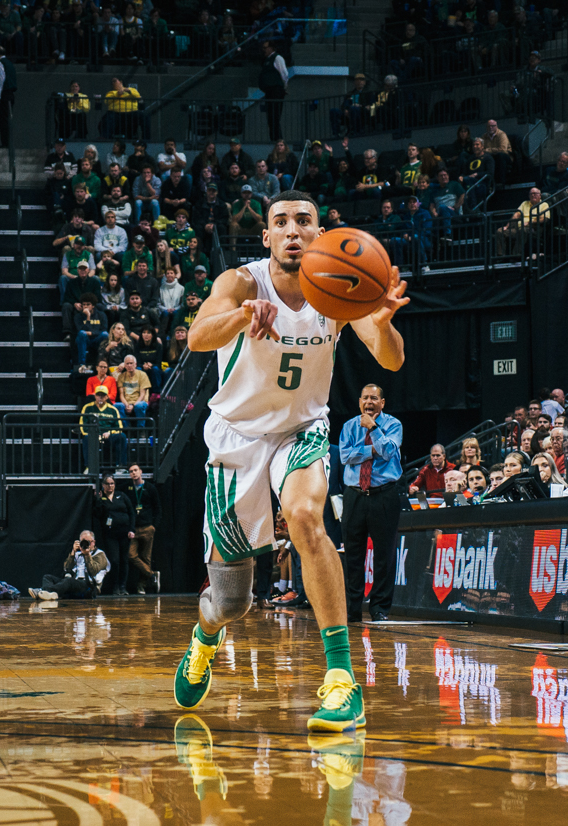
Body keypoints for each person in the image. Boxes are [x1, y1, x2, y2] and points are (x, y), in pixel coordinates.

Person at [172, 189, 408, 733]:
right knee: (232, 603)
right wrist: (240, 317)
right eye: (282, 222)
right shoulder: (241, 281)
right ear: (268, 236)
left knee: (305, 517)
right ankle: (206, 638)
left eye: (305, 221)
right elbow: (198, 336)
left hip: (302, 428)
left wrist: (385, 317)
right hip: (236, 437)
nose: (293, 230)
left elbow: (390, 358)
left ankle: (342, 682)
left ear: (319, 234)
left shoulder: (339, 287)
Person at [339, 384, 403, 623]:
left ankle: (379, 608)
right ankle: (352, 609)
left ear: (382, 403)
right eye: (365, 398)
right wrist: (372, 448)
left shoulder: (394, 425)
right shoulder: (348, 426)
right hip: (355, 495)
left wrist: (374, 429)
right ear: (359, 402)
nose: (369, 402)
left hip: (384, 495)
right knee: (353, 554)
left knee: (384, 555)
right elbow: (345, 457)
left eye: (374, 398)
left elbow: (387, 451)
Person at [29, 531, 108, 600]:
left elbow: (93, 571)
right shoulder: (77, 554)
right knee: (47, 577)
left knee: (69, 581)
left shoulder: (100, 555)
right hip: (74, 583)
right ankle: (50, 594)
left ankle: (42, 592)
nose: (85, 544)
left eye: (88, 542)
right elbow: (66, 568)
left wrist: (87, 555)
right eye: (82, 542)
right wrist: (73, 552)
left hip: (88, 587)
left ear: (93, 542)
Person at [92, 473, 136, 594]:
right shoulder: (101, 498)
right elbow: (98, 514)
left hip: (124, 533)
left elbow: (132, 513)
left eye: (112, 483)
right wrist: (99, 500)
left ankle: (123, 586)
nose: (110, 486)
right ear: (103, 485)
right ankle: (115, 586)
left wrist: (132, 529)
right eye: (107, 484)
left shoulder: (121, 496)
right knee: (115, 560)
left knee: (124, 560)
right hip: (110, 534)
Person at [125, 462, 160, 594]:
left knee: (146, 557)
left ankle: (142, 585)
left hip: (147, 527)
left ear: (141, 472)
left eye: (135, 470)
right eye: (130, 471)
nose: (133, 473)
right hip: (133, 529)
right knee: (131, 555)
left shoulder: (150, 488)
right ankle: (152, 575)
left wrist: (154, 526)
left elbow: (158, 508)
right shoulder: (128, 488)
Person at [258, 40, 289, 141]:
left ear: (271, 48)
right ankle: (273, 139)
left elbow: (284, 73)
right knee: (270, 117)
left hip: (276, 90)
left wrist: (284, 87)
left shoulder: (277, 58)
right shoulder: (266, 60)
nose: (264, 50)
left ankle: (278, 140)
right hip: (269, 91)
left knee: (275, 116)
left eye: (265, 48)